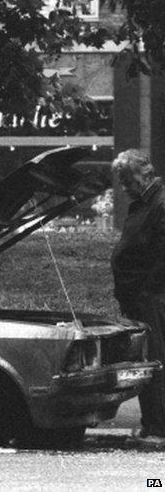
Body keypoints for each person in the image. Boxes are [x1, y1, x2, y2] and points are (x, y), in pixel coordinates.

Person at [111, 149, 165, 442]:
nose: (123, 187)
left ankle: (158, 428)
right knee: (147, 361)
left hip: (151, 297)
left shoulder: (159, 203)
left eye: (126, 180)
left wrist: (145, 287)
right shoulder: (144, 203)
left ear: (144, 175)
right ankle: (153, 424)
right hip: (139, 295)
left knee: (154, 360)